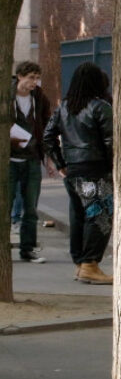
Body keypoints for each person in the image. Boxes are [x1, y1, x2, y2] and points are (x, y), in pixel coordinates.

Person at [43, 63, 113, 283]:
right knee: (100, 215)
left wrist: (61, 162)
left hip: (73, 169)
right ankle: (90, 264)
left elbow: (48, 136)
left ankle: (81, 262)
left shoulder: (64, 107)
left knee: (79, 216)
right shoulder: (100, 106)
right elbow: (111, 140)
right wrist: (114, 166)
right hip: (95, 169)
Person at [10, 61, 53, 264]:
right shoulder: (7, 95)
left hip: (32, 158)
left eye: (36, 78)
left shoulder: (39, 98)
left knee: (30, 208)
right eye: (30, 78)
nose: (34, 83)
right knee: (6, 204)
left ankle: (27, 249)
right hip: (9, 159)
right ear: (20, 76)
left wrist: (48, 157)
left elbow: (46, 125)